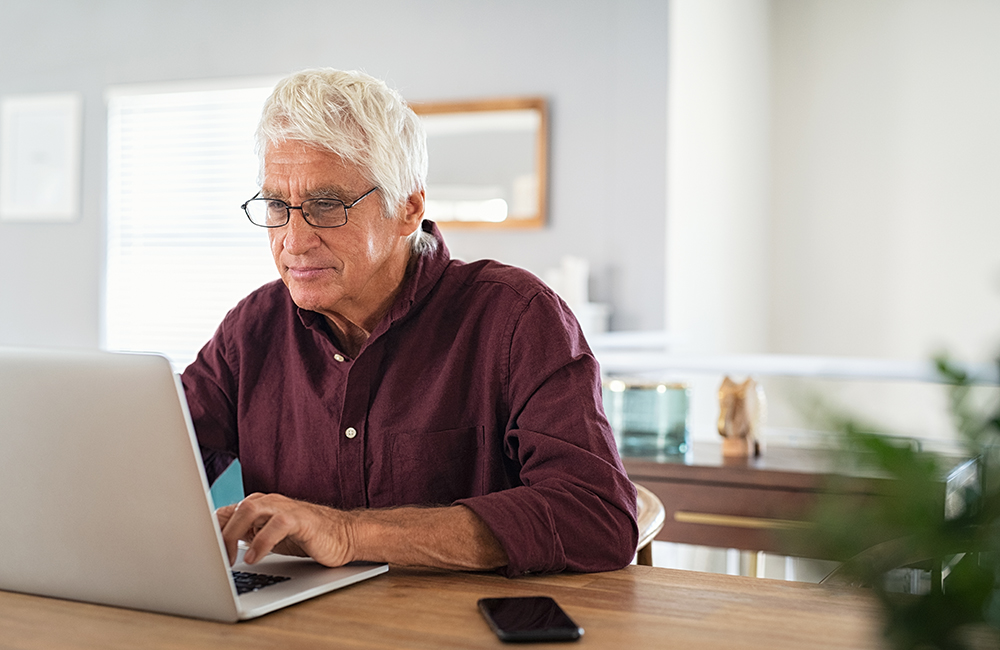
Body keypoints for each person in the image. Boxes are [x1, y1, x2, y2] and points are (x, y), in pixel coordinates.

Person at [181, 68, 637, 577]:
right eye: (276, 206)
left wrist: (348, 533)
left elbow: (597, 517)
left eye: (326, 205)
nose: (293, 240)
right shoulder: (253, 329)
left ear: (408, 208)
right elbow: (155, 460)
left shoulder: (516, 318)